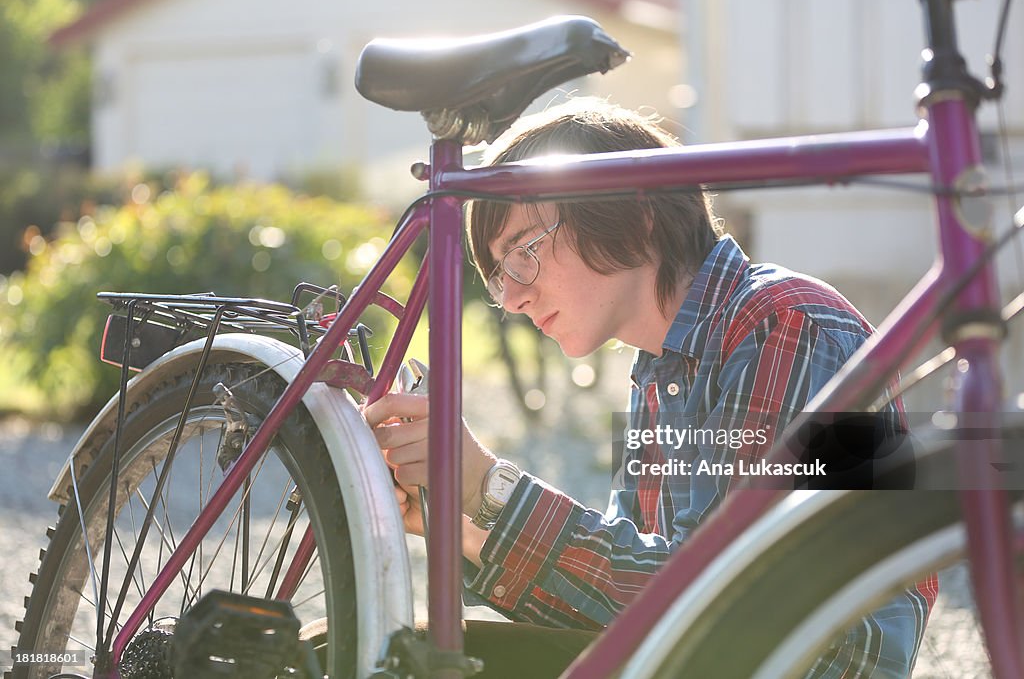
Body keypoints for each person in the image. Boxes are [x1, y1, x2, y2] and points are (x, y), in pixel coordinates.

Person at [363, 97, 936, 678]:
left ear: (635, 217)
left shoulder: (780, 324)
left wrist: (488, 485)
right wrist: (458, 524)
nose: (511, 298)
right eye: (498, 272)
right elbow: (622, 599)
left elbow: (722, 595)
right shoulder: (661, 366)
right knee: (369, 647)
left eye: (523, 252)